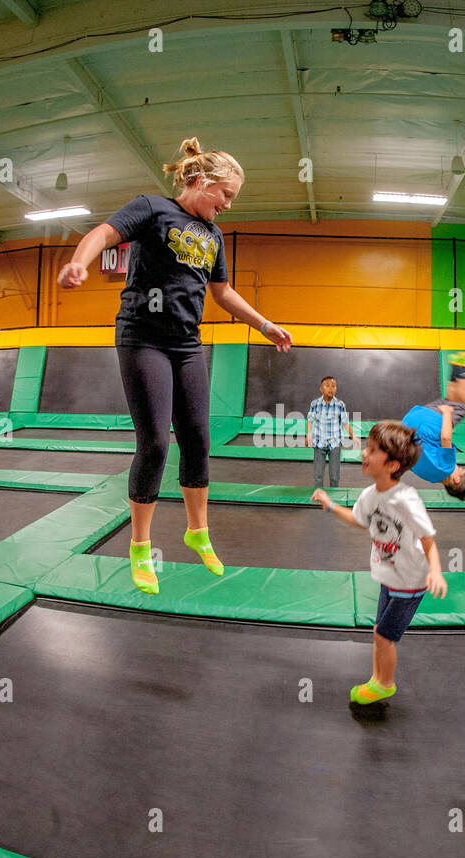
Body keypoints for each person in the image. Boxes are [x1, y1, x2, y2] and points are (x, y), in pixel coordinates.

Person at [56, 137, 293, 594]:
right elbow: (103, 233)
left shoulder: (214, 236)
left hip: (186, 345)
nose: (228, 205)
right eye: (226, 195)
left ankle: (197, 532)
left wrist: (264, 324)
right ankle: (140, 546)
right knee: (154, 445)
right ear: (203, 182)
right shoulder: (152, 208)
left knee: (198, 440)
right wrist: (78, 262)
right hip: (142, 339)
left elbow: (222, 292)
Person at [311, 421, 447, 705]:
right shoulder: (369, 496)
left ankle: (385, 684)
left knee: (385, 636)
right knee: (378, 632)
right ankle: (376, 678)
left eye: (372, 451)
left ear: (392, 466)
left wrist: (436, 570)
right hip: (391, 577)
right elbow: (359, 521)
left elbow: (428, 540)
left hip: (411, 581)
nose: (364, 454)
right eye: (367, 447)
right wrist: (332, 505)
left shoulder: (406, 500)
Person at [400, 351, 465, 500]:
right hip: (409, 422)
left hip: (427, 423)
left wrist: (447, 414)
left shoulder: (446, 468)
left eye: (460, 469)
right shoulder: (429, 477)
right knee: (450, 400)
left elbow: (446, 438)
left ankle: (463, 364)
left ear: (456, 479)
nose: (457, 466)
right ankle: (457, 363)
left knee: (461, 407)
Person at [306, 375, 356, 488]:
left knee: (334, 476)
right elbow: (310, 420)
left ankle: (334, 500)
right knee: (318, 475)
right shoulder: (315, 404)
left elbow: (345, 422)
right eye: (327, 386)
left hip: (335, 443)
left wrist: (353, 436)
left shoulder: (340, 405)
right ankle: (319, 499)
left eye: (333, 386)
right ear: (321, 389)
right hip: (319, 443)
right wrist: (308, 435)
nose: (331, 388)